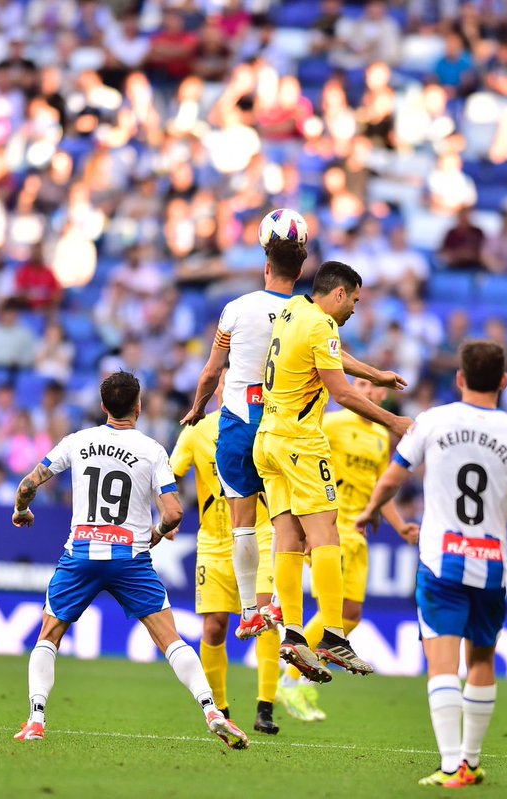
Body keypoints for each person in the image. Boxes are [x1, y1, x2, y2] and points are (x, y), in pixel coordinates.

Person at [8, 371, 249, 749]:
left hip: (82, 554)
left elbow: (27, 484)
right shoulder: (152, 450)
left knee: (49, 636)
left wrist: (22, 510)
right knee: (170, 640)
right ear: (138, 405)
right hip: (130, 559)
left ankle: (36, 719)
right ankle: (211, 710)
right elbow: (172, 513)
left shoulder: (79, 440)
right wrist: (152, 536)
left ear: (104, 406)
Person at [357, 339, 507, 788]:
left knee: (442, 664)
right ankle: (471, 761)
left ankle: (449, 766)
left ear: (459, 378)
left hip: (441, 558)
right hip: (491, 561)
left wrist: (371, 510)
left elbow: (393, 475)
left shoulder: (433, 421)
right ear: (504, 381)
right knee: (481, 658)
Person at [254, 261, 412, 682]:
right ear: (339, 293)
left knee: (288, 538)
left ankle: (292, 633)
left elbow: (332, 355)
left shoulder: (292, 312)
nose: (356, 309)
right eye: (355, 300)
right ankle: (333, 636)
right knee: (325, 535)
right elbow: (340, 391)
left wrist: (374, 373)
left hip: (267, 440)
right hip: (301, 441)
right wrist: (393, 422)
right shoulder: (323, 323)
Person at [180, 236, 305, 641]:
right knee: (290, 522)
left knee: (243, 525)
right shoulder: (306, 313)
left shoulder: (236, 309)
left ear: (266, 267)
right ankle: (283, 604)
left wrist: (199, 409)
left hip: (237, 421)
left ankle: (250, 611)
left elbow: (211, 373)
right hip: (281, 425)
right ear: (300, 273)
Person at [276, 377, 418, 723]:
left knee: (351, 614)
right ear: (355, 389)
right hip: (328, 527)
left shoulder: (380, 436)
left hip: (358, 533)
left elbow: (379, 489)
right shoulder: (334, 422)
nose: (372, 392)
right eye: (364, 386)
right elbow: (304, 464)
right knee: (334, 608)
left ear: (383, 395)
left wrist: (400, 526)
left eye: (377, 389)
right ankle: (289, 679)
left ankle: (303, 674)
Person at [170, 373, 282, 737]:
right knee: (214, 626)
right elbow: (169, 476)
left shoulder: (264, 425)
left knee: (265, 616)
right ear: (219, 388)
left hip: (262, 535)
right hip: (215, 542)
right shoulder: (196, 431)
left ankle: (265, 708)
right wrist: (167, 516)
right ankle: (220, 709)